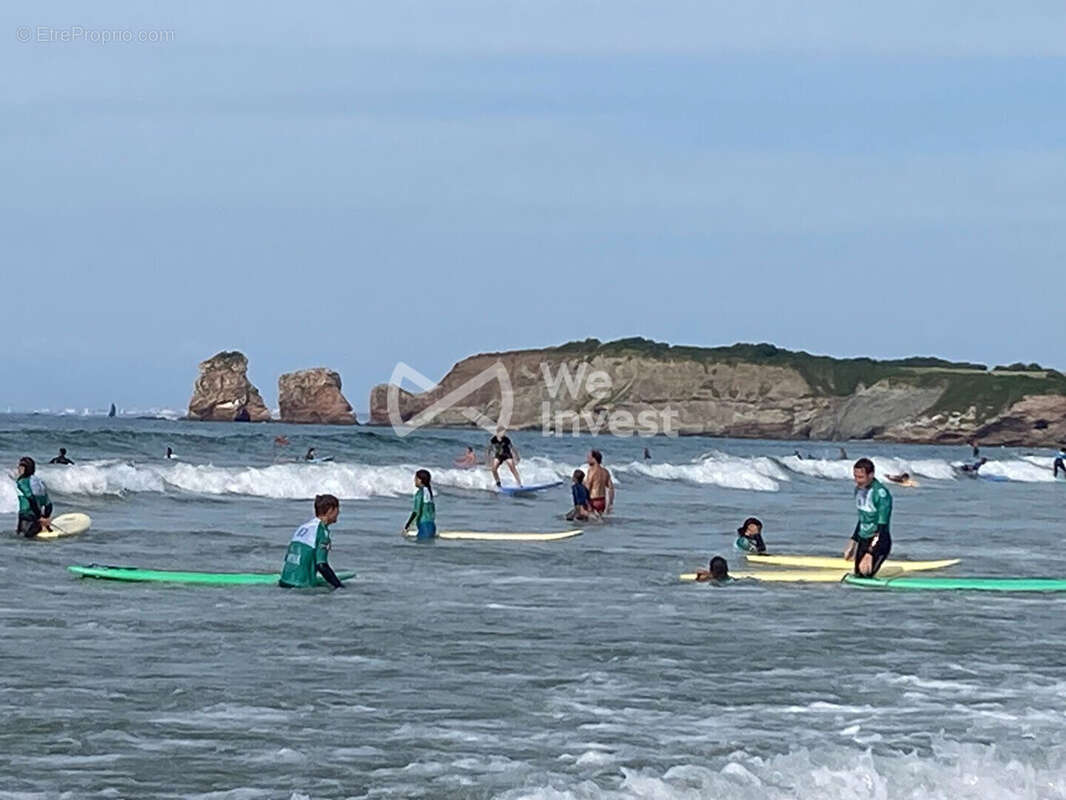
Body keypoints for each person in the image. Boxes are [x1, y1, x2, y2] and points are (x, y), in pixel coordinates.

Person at [278, 494, 344, 589]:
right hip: (300, 585)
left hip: (284, 581)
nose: (339, 513)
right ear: (330, 510)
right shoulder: (322, 532)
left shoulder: (304, 527)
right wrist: (339, 585)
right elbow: (321, 565)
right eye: (337, 509)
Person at [844, 458, 892, 577]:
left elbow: (882, 528)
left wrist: (870, 553)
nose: (857, 481)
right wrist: (853, 542)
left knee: (866, 576)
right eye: (855, 476)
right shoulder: (859, 490)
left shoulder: (881, 494)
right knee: (858, 576)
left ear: (871, 475)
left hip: (879, 542)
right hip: (863, 540)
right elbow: (863, 519)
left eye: (861, 477)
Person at [12, 457, 53, 538]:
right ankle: (42, 526)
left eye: (21, 466)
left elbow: (31, 499)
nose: (18, 468)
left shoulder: (22, 482)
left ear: (26, 469)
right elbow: (48, 504)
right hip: (36, 517)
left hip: (26, 517)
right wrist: (46, 517)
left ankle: (40, 527)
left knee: (22, 539)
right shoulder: (39, 482)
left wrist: (39, 517)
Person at [403, 469, 437, 540]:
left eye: (415, 478)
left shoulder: (420, 493)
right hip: (432, 526)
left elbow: (416, 512)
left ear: (420, 480)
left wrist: (407, 526)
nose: (414, 481)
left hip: (424, 526)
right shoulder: (429, 493)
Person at [584, 450, 614, 516]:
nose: (587, 460)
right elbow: (611, 488)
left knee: (589, 523)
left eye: (589, 457)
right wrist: (610, 504)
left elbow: (587, 488)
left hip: (593, 500)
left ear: (594, 459)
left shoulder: (591, 471)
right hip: (602, 501)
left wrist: (586, 503)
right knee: (599, 522)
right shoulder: (605, 471)